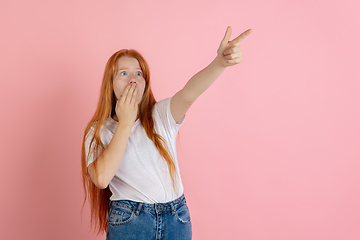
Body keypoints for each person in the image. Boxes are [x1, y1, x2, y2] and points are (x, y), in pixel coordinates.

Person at [81, 26, 252, 240]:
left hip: (176, 219)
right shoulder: (98, 131)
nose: (133, 79)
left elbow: (189, 94)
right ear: (110, 83)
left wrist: (220, 63)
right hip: (130, 223)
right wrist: (125, 122)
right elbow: (102, 179)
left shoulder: (159, 115)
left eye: (138, 73)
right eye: (123, 73)